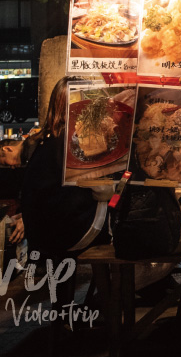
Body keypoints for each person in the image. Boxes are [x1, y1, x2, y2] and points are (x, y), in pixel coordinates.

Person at [6, 76, 110, 260]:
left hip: (40, 235)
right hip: (68, 234)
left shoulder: (46, 139)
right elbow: (102, 190)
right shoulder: (77, 139)